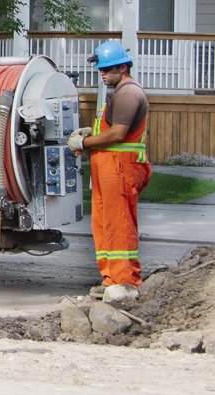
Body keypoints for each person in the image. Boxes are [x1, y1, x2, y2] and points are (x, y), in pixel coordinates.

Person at [71, 41, 151, 303]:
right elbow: (109, 131)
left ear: (123, 67)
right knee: (105, 225)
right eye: (101, 70)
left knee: (119, 226)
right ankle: (111, 279)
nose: (103, 74)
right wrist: (91, 136)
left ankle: (126, 282)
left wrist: (84, 143)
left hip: (121, 168)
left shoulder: (128, 94)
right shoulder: (119, 92)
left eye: (108, 69)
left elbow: (117, 134)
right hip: (110, 168)